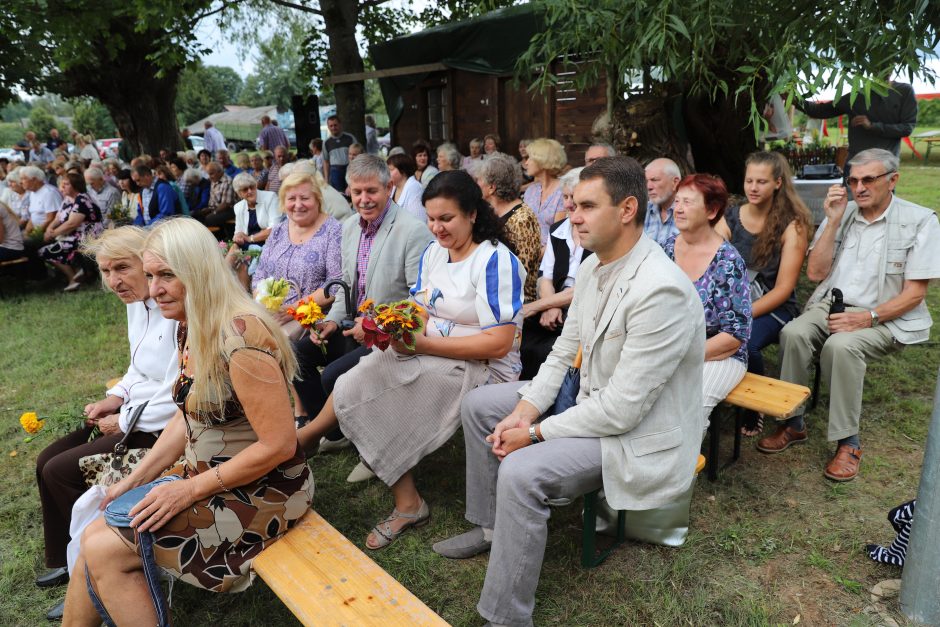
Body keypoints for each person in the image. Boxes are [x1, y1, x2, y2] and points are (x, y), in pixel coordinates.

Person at [432, 156, 706, 627]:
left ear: (626, 209)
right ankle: (492, 527)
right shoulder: (600, 267)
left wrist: (535, 434)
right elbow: (562, 353)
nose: (572, 216)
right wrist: (525, 410)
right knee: (481, 405)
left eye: (585, 206)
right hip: (591, 403)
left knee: (520, 470)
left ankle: (506, 616)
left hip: (635, 435)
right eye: (572, 205)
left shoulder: (661, 290)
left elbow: (621, 411)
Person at [62, 218, 314, 624]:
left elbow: (280, 445)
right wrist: (133, 479)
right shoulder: (192, 323)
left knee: (104, 548)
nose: (155, 288)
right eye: (149, 275)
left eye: (166, 275)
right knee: (95, 534)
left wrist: (187, 490)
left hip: (266, 490)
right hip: (208, 475)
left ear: (197, 271)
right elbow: (185, 418)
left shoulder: (240, 338)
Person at [297, 170, 525, 549]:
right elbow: (420, 307)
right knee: (359, 375)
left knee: (394, 392)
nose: (436, 228)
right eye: (431, 219)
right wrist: (395, 328)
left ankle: (397, 498)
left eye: (446, 219)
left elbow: (499, 343)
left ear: (472, 214)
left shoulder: (494, 261)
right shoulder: (436, 253)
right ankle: (321, 439)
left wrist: (420, 345)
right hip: (429, 348)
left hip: (483, 368)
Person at [757, 148, 940, 481]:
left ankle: (847, 441)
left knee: (841, 347)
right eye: (853, 180)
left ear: (893, 180)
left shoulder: (920, 220)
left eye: (869, 179)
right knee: (793, 334)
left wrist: (867, 317)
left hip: (885, 313)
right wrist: (833, 222)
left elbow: (915, 294)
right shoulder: (843, 212)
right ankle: (792, 422)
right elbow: (814, 273)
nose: (860, 187)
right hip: (832, 304)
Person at [35, 227, 178, 620]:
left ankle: (89, 573)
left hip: (156, 430)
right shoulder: (136, 304)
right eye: (105, 270)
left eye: (122, 268)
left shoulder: (176, 308)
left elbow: (175, 397)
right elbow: (138, 369)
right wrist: (113, 399)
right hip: (132, 415)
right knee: (46, 458)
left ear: (146, 263)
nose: (114, 281)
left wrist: (124, 416)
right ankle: (69, 563)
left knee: (61, 470)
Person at [293, 154, 432, 465]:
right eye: (357, 192)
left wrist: (373, 326)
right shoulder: (350, 228)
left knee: (333, 376)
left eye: (372, 191)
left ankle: (370, 446)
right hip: (350, 325)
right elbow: (344, 282)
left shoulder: (412, 230)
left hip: (388, 335)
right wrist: (329, 320)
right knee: (296, 354)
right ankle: (337, 433)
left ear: (389, 187)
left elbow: (418, 300)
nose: (364, 200)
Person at [715, 151, 813, 435]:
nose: (753, 188)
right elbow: (713, 255)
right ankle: (716, 392)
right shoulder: (732, 216)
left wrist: (741, 315)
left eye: (761, 182)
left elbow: (783, 289)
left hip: (773, 307)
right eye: (749, 181)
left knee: (745, 343)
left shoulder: (792, 225)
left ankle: (752, 406)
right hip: (732, 302)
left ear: (778, 184)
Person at [662, 174, 751, 425]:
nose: (678, 208)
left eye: (688, 202)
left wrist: (682, 355)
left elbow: (733, 337)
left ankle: (683, 464)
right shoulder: (665, 249)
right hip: (670, 346)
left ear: (712, 211)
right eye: (676, 201)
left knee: (692, 406)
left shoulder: (728, 262)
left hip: (719, 353)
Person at [519, 167, 593, 379]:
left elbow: (584, 287)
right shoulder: (558, 229)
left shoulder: (596, 232)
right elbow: (545, 276)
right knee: (522, 338)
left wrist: (540, 306)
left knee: (549, 350)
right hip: (555, 304)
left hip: (582, 309)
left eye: (574, 198)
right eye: (565, 196)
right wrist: (550, 306)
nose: (568, 204)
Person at [251, 170, 342, 337]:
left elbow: (335, 285)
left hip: (312, 322)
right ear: (283, 202)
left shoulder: (333, 230)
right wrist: (266, 302)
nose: (298, 205)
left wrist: (293, 309)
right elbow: (259, 276)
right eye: (291, 199)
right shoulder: (278, 230)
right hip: (272, 315)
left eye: (305, 198)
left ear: (317, 200)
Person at [476, 155, 541, 303]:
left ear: (492, 187)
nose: (477, 184)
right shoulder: (491, 212)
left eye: (479, 180)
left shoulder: (523, 219)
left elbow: (522, 270)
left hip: (516, 302)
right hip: (493, 293)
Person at [798, 81, 918, 160]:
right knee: (850, 199)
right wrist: (792, 97)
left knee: (882, 199)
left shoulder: (904, 91)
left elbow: (907, 128)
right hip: (856, 163)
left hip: (885, 165)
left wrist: (872, 126)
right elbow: (819, 110)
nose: (882, 68)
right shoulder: (858, 96)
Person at [38, 172, 104, 291]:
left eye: (66, 184)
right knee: (44, 248)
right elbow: (58, 218)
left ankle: (75, 277)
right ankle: (77, 275)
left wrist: (53, 234)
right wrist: (49, 228)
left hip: (87, 235)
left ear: (76, 185)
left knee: (45, 251)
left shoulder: (82, 199)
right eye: (61, 184)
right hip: (72, 235)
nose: (62, 187)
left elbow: (72, 223)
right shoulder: (68, 200)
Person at [522, 138, 567, 246]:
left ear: (542, 160)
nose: (526, 163)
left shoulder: (563, 191)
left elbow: (558, 236)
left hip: (552, 255)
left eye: (530, 158)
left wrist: (538, 257)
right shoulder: (531, 191)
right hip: (528, 252)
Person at [232, 171, 280, 249]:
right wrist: (238, 236)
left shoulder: (271, 197)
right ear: (239, 193)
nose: (250, 191)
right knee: (234, 247)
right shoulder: (238, 207)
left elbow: (275, 229)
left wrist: (250, 238)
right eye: (245, 189)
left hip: (270, 241)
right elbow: (239, 230)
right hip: (250, 243)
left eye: (252, 187)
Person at [644, 157, 681, 246]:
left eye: (655, 180)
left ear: (675, 182)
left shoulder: (690, 212)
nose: (649, 187)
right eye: (646, 181)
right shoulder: (642, 211)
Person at [193, 161, 236, 230]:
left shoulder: (227, 182)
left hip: (228, 210)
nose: (209, 177)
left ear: (220, 171)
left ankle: (218, 237)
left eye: (211, 174)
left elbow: (226, 204)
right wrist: (208, 209)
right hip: (215, 208)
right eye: (208, 174)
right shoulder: (214, 179)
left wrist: (214, 212)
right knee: (195, 215)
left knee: (209, 219)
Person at [20, 165, 62, 234]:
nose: (21, 182)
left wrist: (34, 235)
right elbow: (33, 217)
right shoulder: (32, 192)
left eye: (23, 179)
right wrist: (26, 233)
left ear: (34, 180)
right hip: (37, 231)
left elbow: (51, 219)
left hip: (47, 233)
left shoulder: (49, 192)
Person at [387, 153, 426, 222]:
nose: (387, 173)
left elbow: (418, 220)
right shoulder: (393, 187)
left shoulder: (414, 188)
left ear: (403, 170)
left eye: (391, 169)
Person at [323, 115, 357, 192]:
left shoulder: (350, 138)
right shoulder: (326, 142)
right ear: (328, 127)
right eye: (331, 126)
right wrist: (326, 179)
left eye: (335, 125)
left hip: (350, 169)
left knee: (353, 192)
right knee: (340, 195)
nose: (333, 128)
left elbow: (358, 154)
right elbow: (326, 161)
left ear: (340, 125)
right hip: (335, 171)